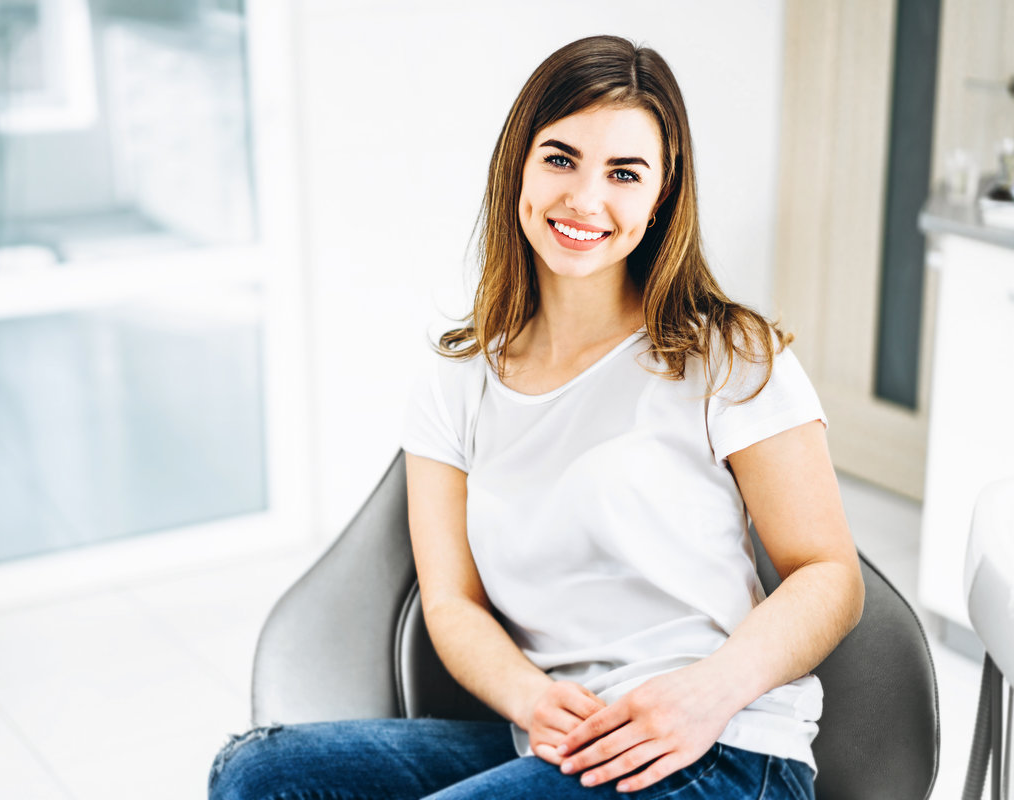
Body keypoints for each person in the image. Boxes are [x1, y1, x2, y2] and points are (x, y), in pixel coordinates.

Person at [207, 34, 864, 800]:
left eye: (624, 173)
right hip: (558, 736)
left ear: (660, 197)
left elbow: (830, 576)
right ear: (518, 165)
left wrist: (707, 693)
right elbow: (450, 602)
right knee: (258, 773)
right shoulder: (456, 383)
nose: (585, 198)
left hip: (722, 745)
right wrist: (529, 698)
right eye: (560, 159)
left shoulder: (725, 353)